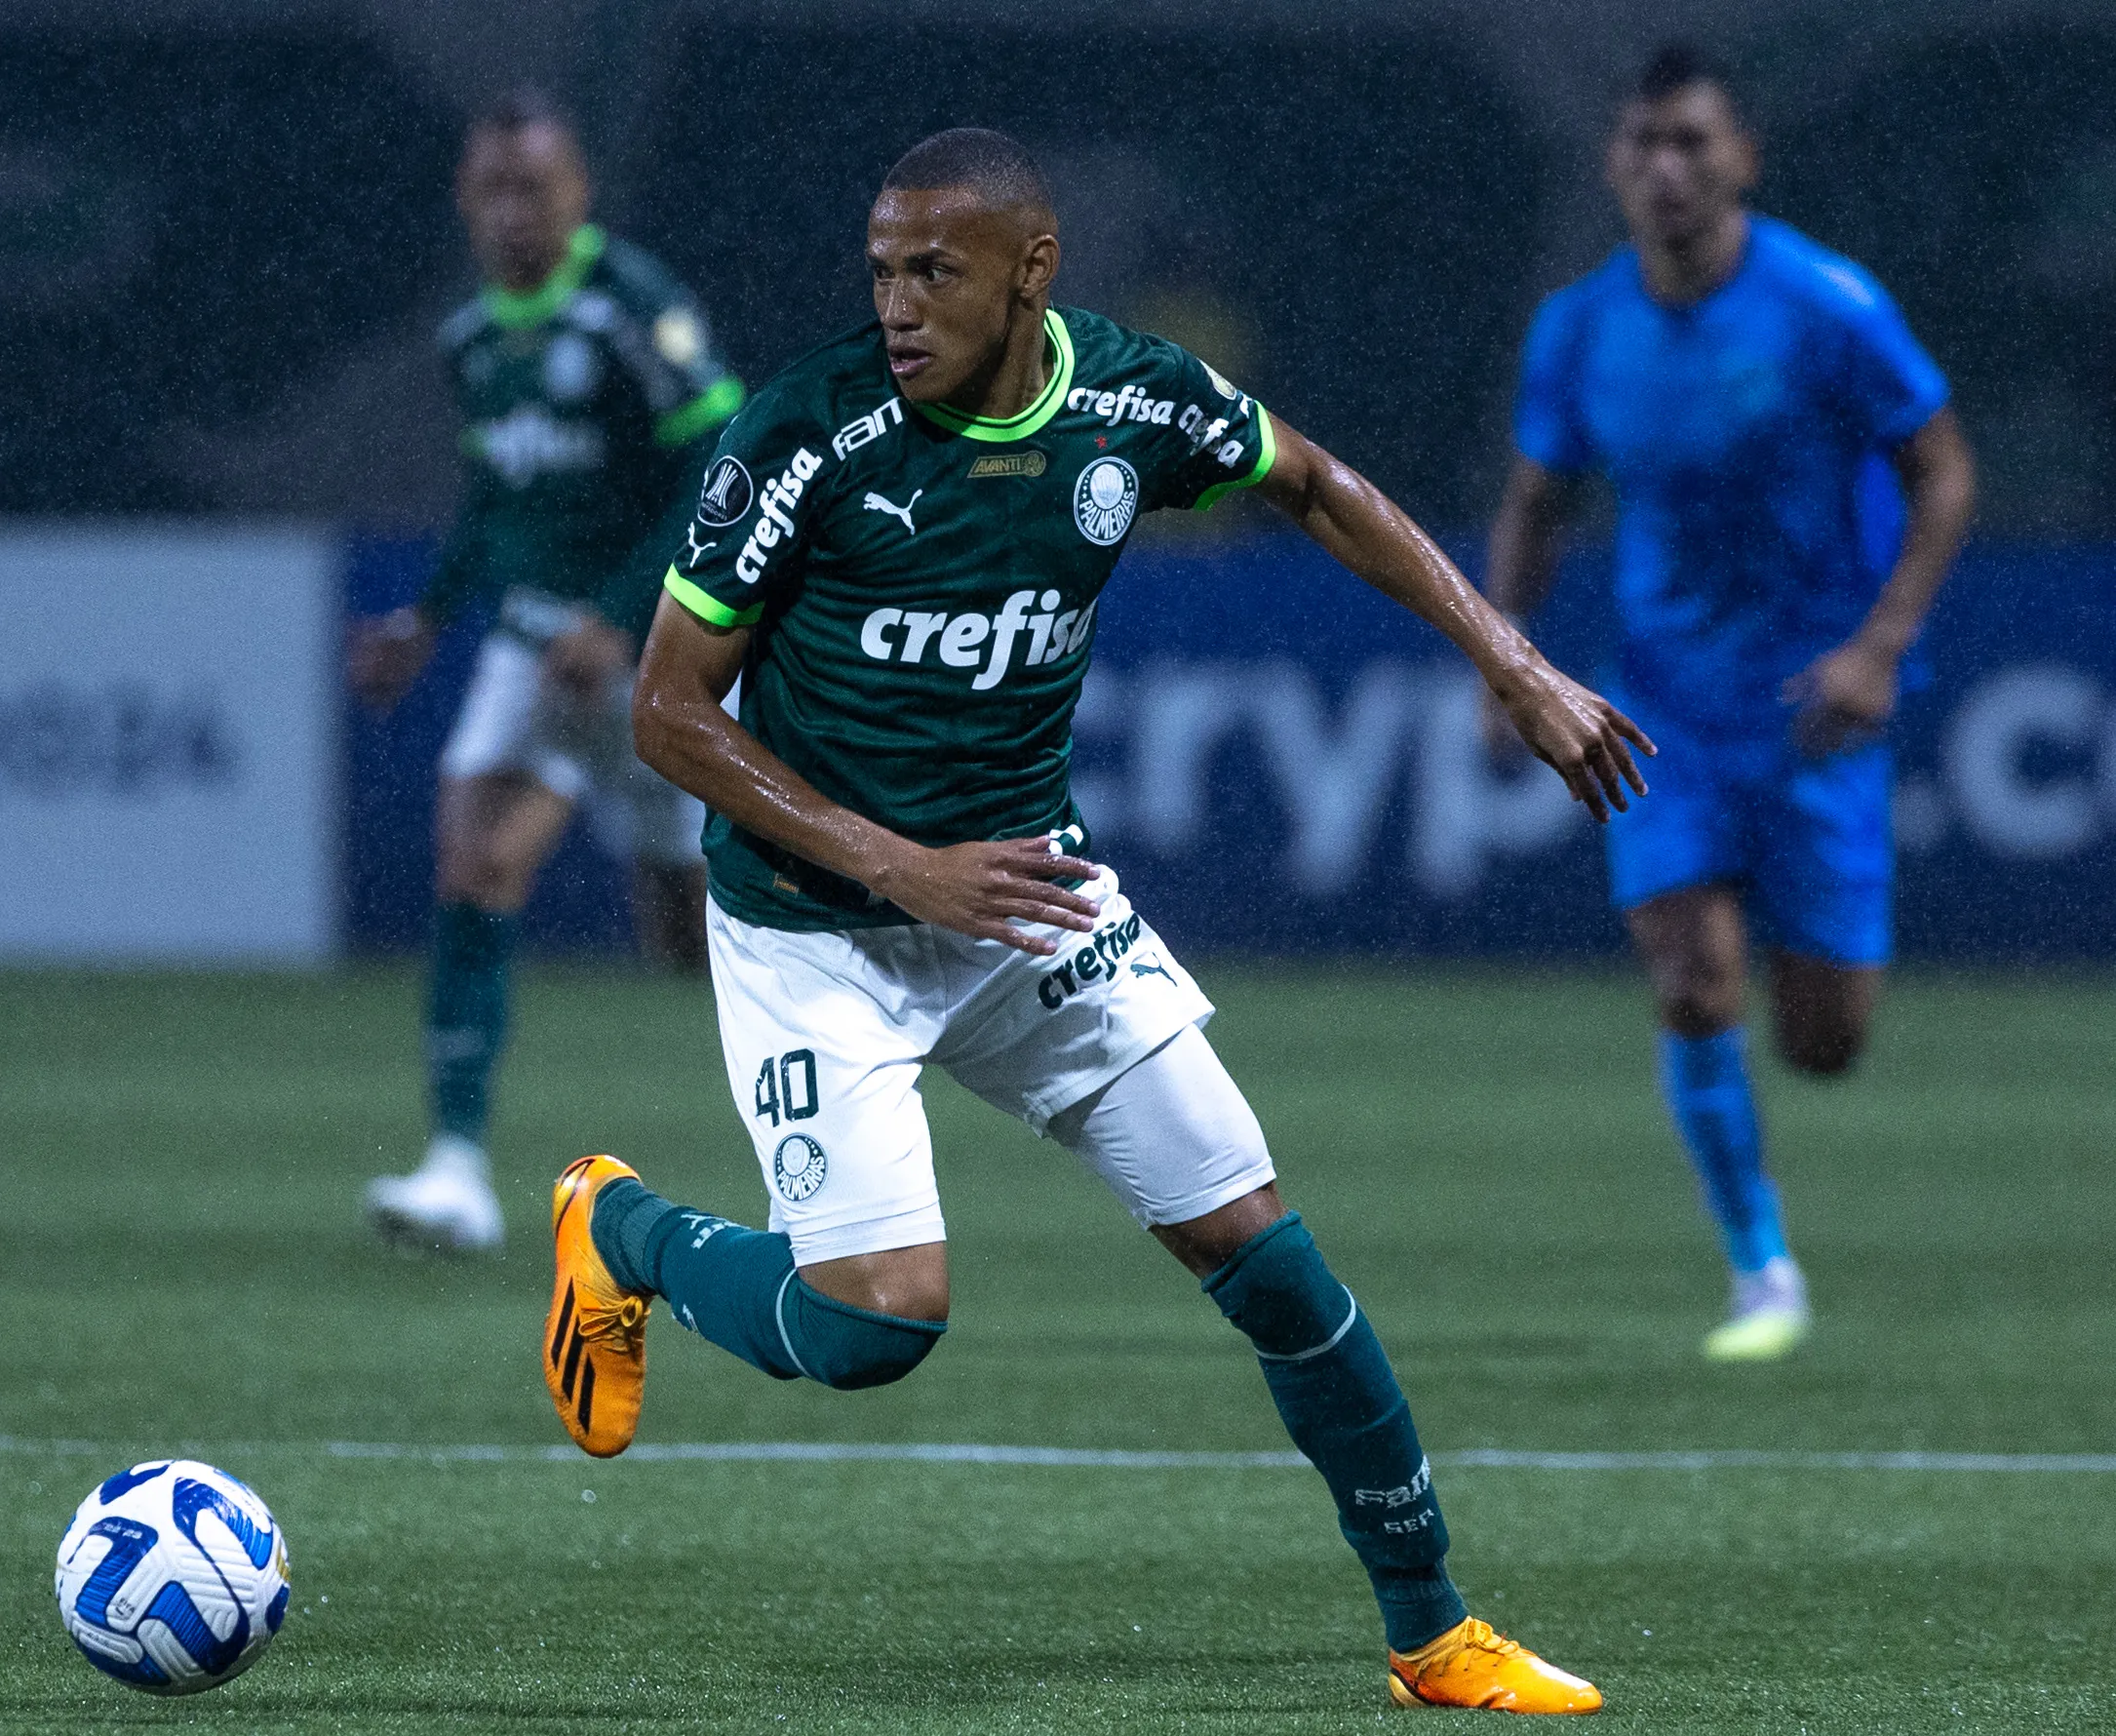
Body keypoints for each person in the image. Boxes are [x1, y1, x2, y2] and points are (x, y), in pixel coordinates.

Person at [543, 127, 1640, 1714]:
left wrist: (1514, 662)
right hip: (815, 934)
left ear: (1032, 273)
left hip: (1032, 905)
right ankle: (622, 1229)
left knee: (1263, 1252)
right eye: (882, 270)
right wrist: (893, 864)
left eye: (938, 271)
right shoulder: (809, 434)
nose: (900, 306)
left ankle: (1433, 1631)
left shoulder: (1134, 400)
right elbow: (666, 713)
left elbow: (1318, 486)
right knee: (876, 1330)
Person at [1484, 45, 1975, 1361]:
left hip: (1816, 709)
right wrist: (1505, 660)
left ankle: (1783, 1151)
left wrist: (1879, 646)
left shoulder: (1824, 305)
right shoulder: (1578, 325)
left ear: (1740, 158)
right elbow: (1539, 500)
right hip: (1663, 715)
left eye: (1692, 143)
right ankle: (1760, 1270)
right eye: (1643, 144)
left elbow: (1941, 471)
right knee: (1693, 984)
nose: (1666, 168)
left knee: (1822, 1042)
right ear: (1612, 166)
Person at [348, 89, 743, 1252]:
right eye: (493, 189)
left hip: (657, 660)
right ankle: (457, 1172)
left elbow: (719, 459)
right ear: (467, 201)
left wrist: (623, 617)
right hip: (533, 653)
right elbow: (492, 495)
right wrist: (424, 619)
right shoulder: (472, 336)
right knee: (475, 863)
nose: (515, 210)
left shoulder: (631, 307)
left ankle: (839, 1104)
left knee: (688, 943)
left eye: (537, 187)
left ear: (579, 194)